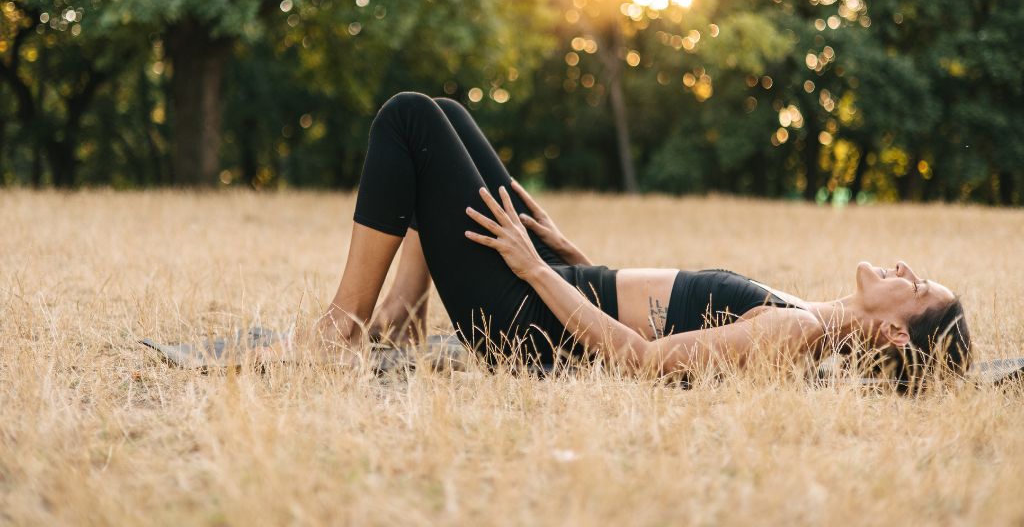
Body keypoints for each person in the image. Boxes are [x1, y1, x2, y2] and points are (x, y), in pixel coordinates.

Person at [309, 92, 971, 391]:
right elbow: (655, 313)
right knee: (446, 115)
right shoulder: (807, 319)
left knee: (410, 121)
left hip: (529, 328)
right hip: (557, 291)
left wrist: (536, 272)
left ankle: (347, 326)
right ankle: (397, 320)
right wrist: (573, 261)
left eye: (914, 287)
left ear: (896, 335)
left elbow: (641, 363)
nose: (904, 269)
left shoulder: (797, 336)